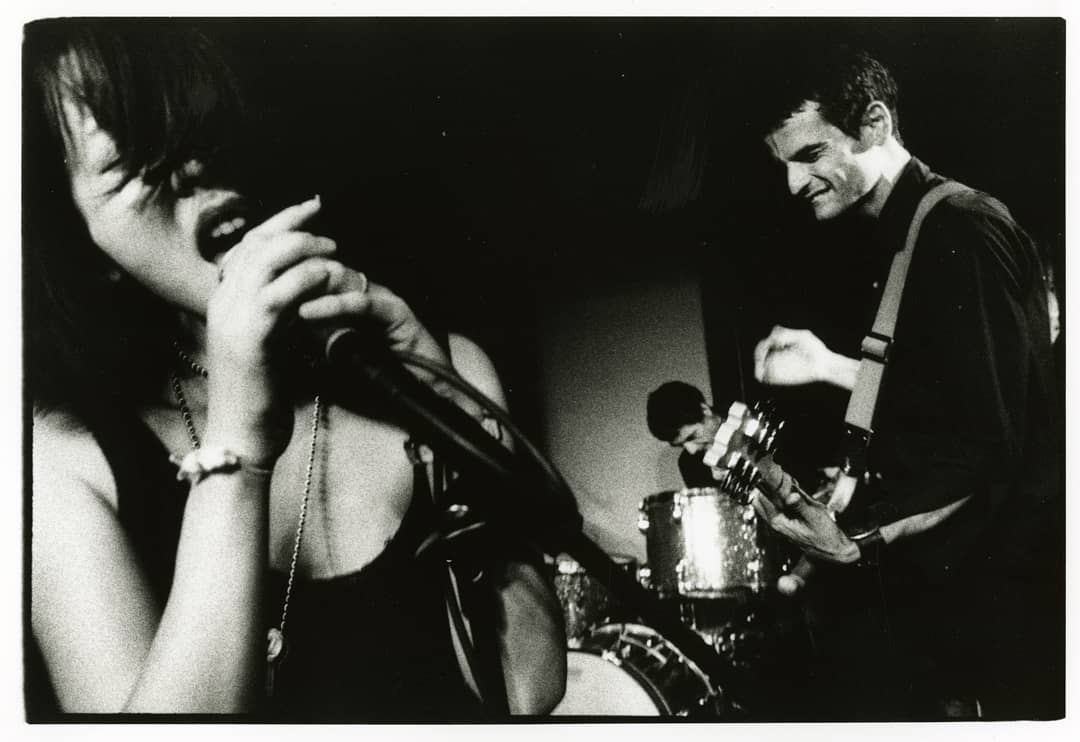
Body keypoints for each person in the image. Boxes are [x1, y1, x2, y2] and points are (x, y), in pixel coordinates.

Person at [25, 21, 565, 718]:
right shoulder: (63, 459)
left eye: (197, 126)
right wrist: (238, 448)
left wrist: (453, 431)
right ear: (83, 246)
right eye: (134, 165)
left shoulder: (450, 364)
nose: (191, 170)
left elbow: (530, 691)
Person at [746, 47, 1062, 720]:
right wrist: (832, 369)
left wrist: (856, 538)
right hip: (967, 605)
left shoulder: (960, 228)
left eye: (810, 155)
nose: (793, 184)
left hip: (1008, 613)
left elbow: (988, 446)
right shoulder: (908, 233)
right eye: (782, 165)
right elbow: (947, 395)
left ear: (876, 124)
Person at [645, 381, 722, 488]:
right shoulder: (689, 464)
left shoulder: (744, 408)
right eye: (680, 445)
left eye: (692, 436)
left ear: (705, 410)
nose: (692, 450)